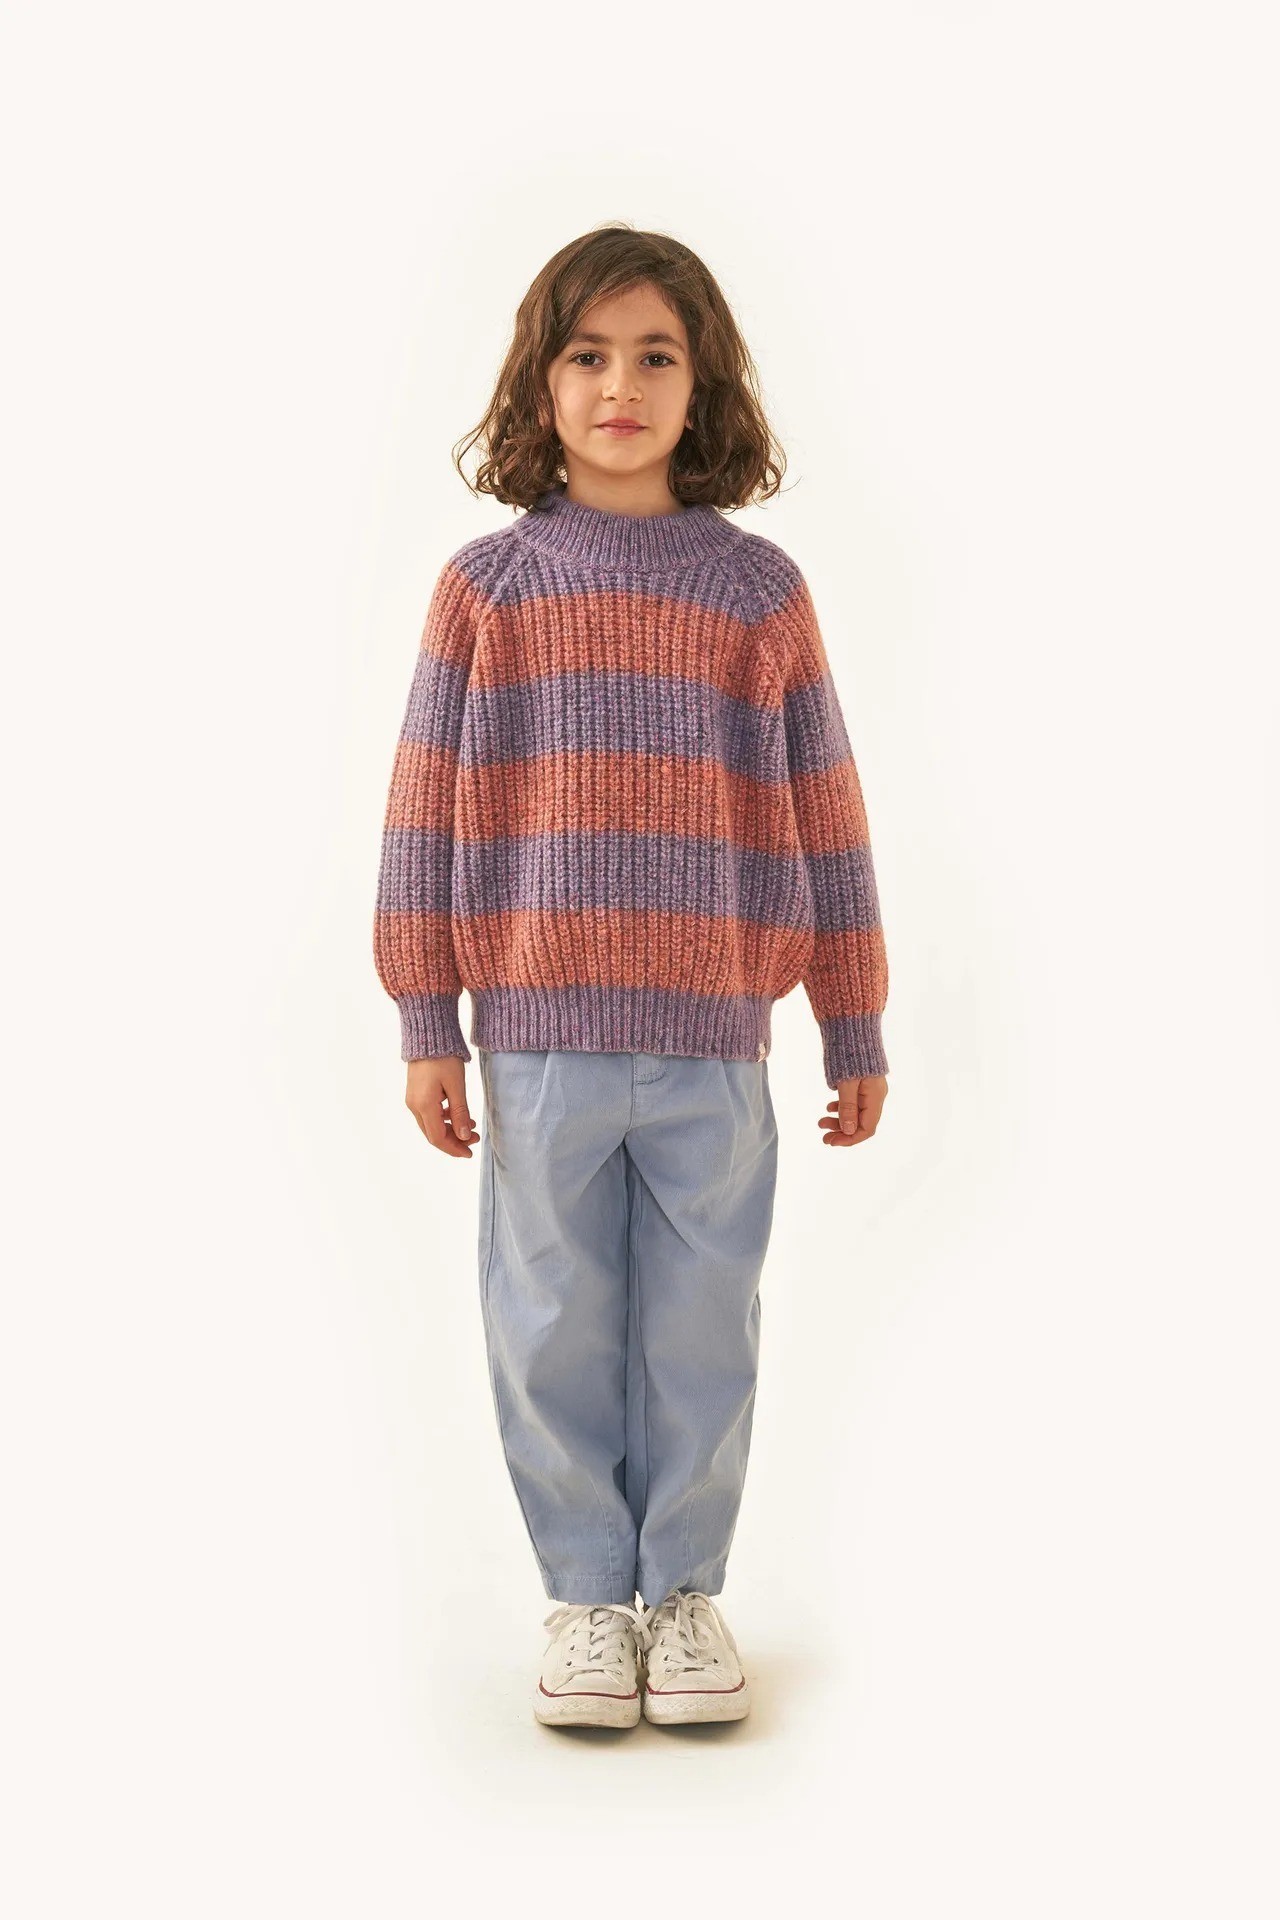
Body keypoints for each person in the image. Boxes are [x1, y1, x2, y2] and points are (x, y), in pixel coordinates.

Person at [373, 224, 890, 1730]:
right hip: (538, 1038)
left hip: (717, 1040)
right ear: (538, 385)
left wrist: (853, 1017)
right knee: (549, 1320)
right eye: (588, 355)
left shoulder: (759, 594)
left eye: (657, 355)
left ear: (702, 383)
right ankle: (591, 1594)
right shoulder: (487, 590)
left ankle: (687, 1594)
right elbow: (422, 811)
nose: (621, 386)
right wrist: (425, 1018)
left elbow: (828, 809)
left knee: (703, 1326)